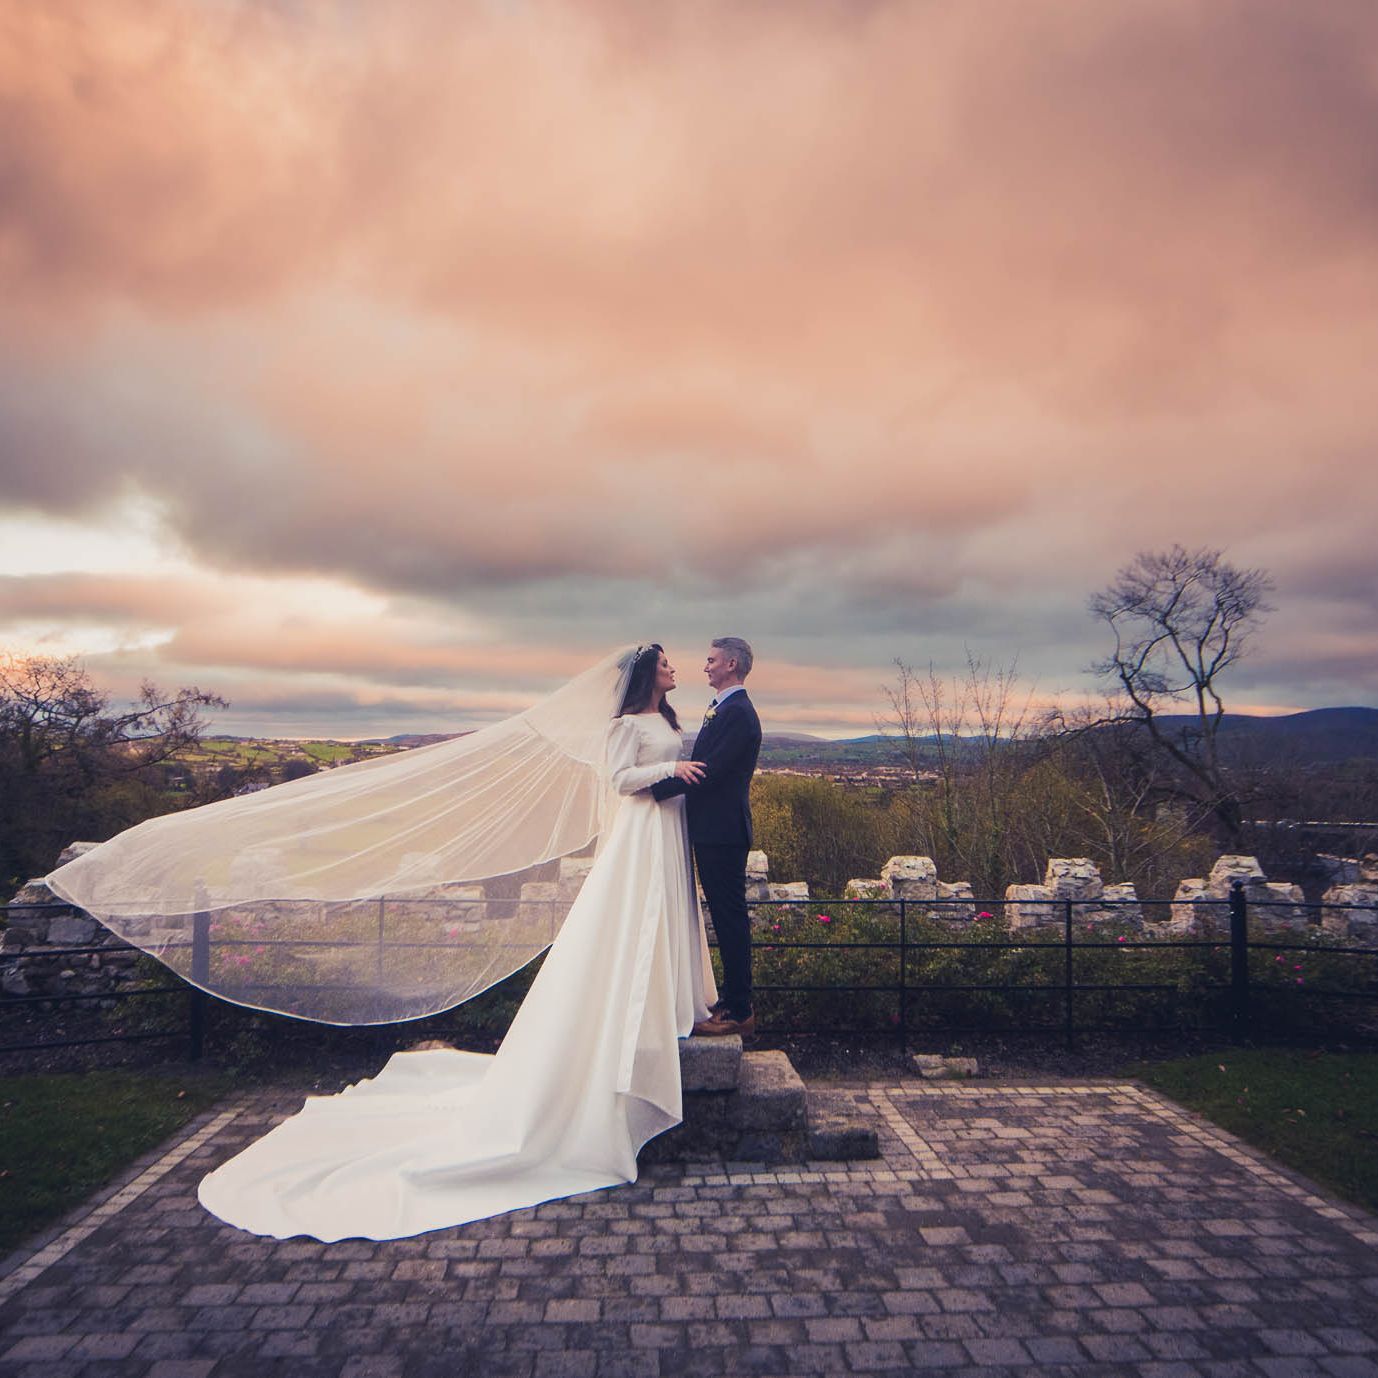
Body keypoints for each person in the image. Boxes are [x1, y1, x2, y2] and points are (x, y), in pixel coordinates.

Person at [53, 645, 720, 1241]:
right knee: (629, 924)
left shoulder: (666, 720)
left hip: (666, 833)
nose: (674, 669)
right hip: (640, 831)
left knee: (663, 919)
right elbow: (615, 781)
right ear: (642, 675)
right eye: (663, 663)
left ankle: (671, 1008)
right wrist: (674, 773)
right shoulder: (624, 727)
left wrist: (681, 768)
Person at [652, 637, 762, 1037]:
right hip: (714, 830)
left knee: (730, 919)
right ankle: (733, 1002)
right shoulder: (725, 709)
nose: (705, 667)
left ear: (731, 664)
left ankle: (739, 1009)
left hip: (723, 832)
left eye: (711, 660)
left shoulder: (738, 713)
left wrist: (651, 790)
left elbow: (708, 771)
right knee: (726, 915)